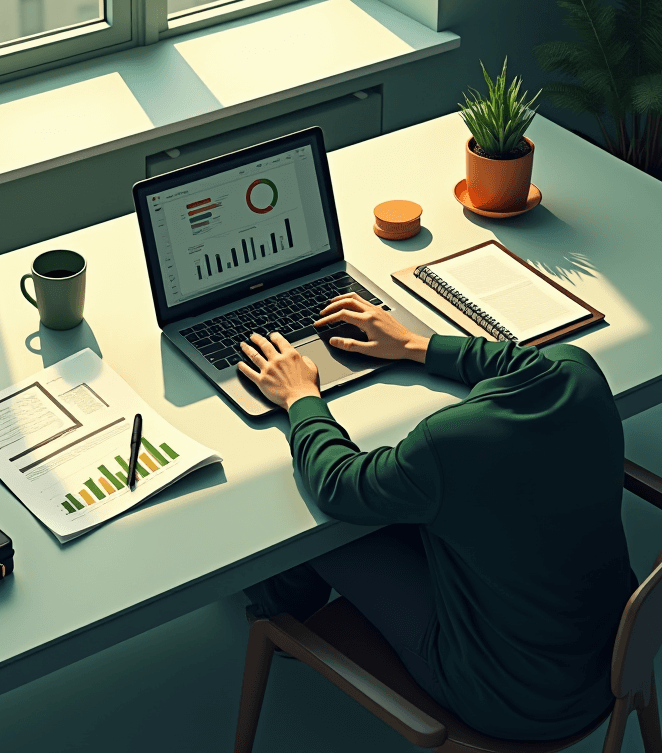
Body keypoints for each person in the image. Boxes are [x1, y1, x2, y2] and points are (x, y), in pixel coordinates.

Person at [237, 293, 637, 742]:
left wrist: (300, 396)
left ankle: (281, 614)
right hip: (610, 655)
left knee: (323, 531)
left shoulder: (448, 444)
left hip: (511, 698)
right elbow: (513, 360)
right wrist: (412, 344)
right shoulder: (577, 371)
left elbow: (338, 487)